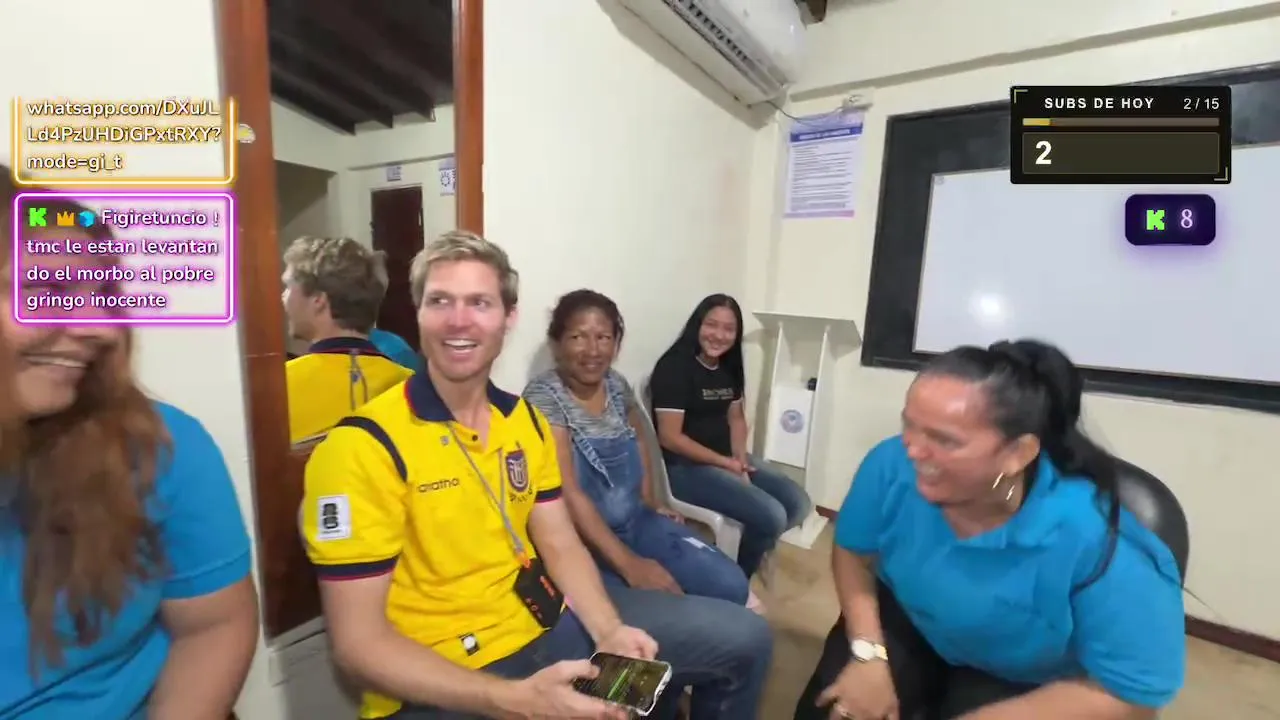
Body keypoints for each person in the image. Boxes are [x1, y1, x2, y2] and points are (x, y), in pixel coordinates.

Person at [301, 231, 772, 720]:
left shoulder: (523, 421)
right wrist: (514, 700)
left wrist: (609, 630)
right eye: (440, 300)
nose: (459, 320)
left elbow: (560, 543)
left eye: (479, 302)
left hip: (551, 627)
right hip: (448, 679)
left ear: (509, 317)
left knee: (745, 639)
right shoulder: (360, 448)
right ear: (418, 313)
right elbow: (358, 647)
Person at [795, 340, 1185, 720]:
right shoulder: (890, 464)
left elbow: (1132, 694)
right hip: (913, 617)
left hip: (1025, 673)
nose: (912, 450)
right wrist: (868, 654)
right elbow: (854, 552)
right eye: (909, 425)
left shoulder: (1102, 543)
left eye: (944, 439)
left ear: (1018, 454)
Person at [0, 172, 259, 719]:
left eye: (101, 297)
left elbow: (215, 623)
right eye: (44, 292)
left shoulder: (159, 448)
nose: (100, 328)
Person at [523, 289, 750, 604]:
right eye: (578, 337)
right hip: (585, 543)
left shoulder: (615, 384)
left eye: (604, 338)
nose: (593, 350)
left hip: (638, 521)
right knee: (672, 610)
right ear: (557, 343)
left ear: (616, 344)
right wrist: (629, 565)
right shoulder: (544, 397)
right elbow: (568, 492)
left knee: (732, 585)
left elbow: (641, 437)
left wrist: (652, 501)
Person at [651, 293, 812, 580]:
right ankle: (737, 580)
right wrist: (727, 465)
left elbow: (736, 418)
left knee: (798, 503)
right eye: (711, 325)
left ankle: (753, 546)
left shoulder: (728, 366)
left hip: (727, 458)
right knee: (772, 516)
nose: (718, 335)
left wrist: (739, 461)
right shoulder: (674, 367)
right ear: (698, 324)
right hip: (685, 469)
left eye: (728, 329)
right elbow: (670, 437)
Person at [281, 236, 413, 443]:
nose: (283, 297)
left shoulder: (279, 388)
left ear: (318, 300)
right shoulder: (412, 386)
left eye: (288, 286)